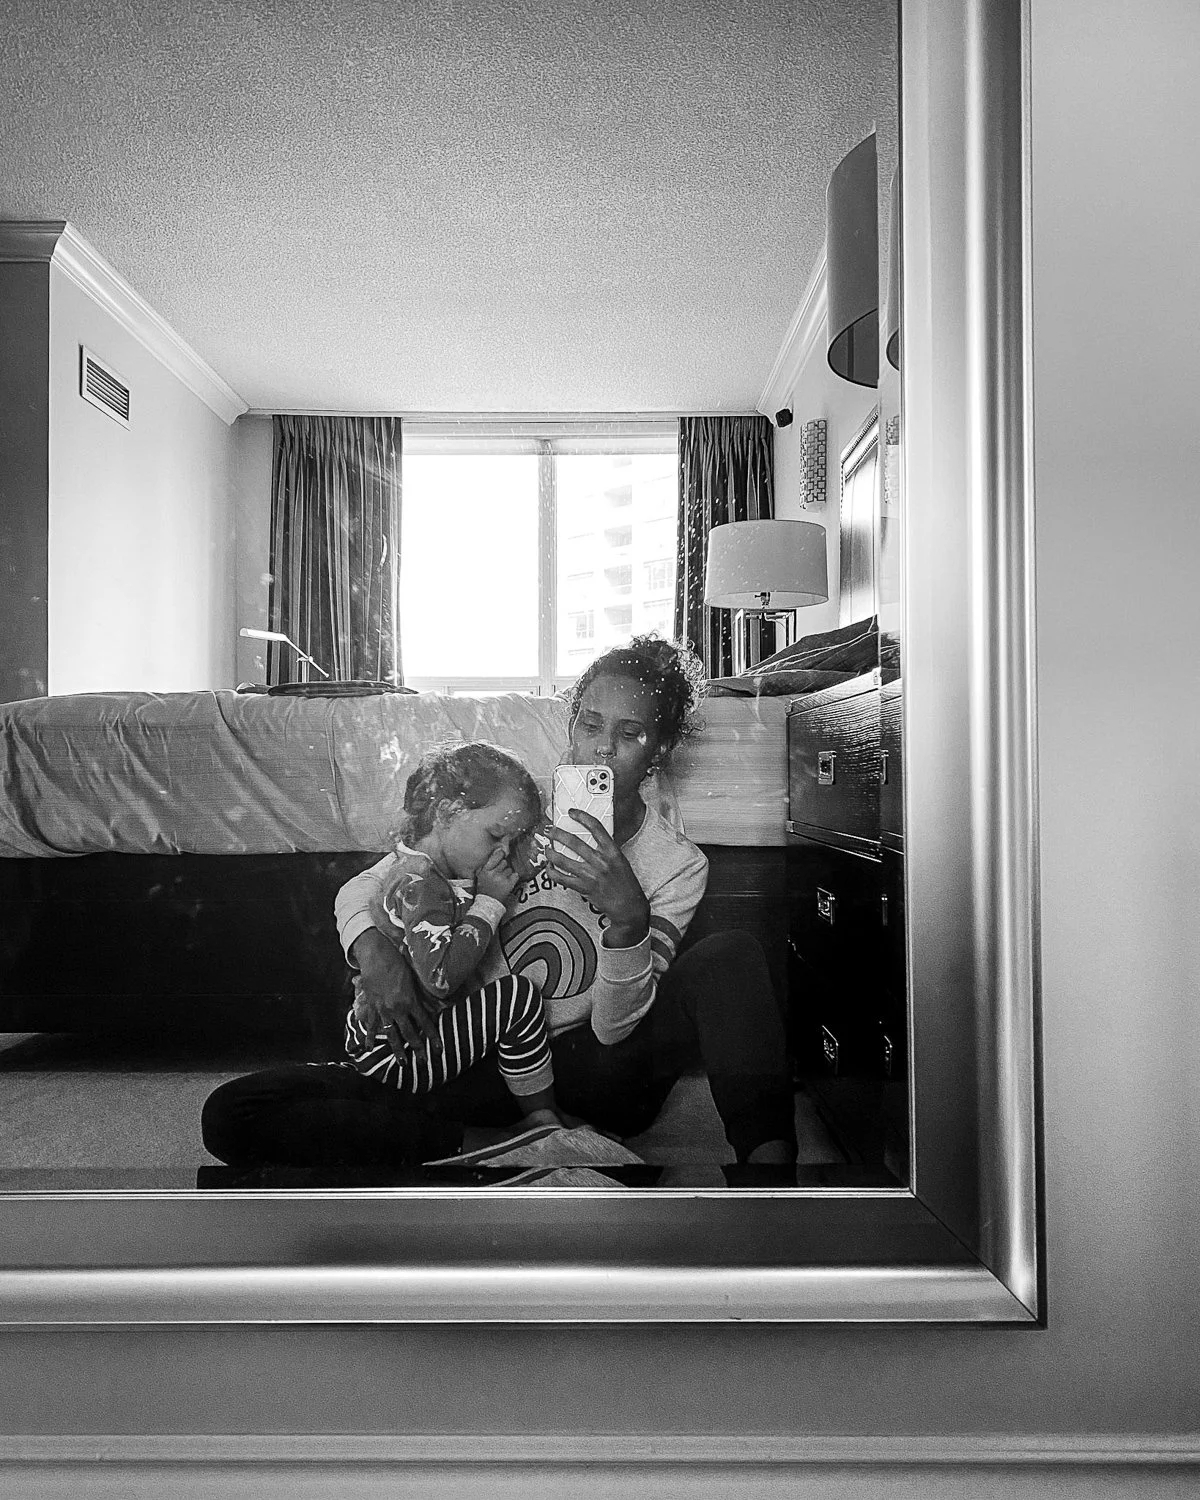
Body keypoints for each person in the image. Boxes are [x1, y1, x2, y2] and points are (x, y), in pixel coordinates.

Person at [201, 635, 797, 1174]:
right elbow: (371, 884)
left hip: (599, 1071)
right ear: (572, 726)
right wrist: (375, 950)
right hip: (478, 1057)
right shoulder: (517, 809)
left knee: (732, 956)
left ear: (660, 748)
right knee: (233, 1113)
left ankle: (773, 1180)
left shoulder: (678, 864)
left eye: (630, 734)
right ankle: (503, 1146)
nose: (601, 749)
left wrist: (628, 918)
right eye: (589, 725)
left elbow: (617, 1029)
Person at [345, 741, 565, 1130]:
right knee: (517, 997)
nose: (503, 851)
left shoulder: (435, 867)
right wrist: (488, 904)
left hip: (400, 1041)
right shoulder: (419, 881)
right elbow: (440, 980)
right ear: (447, 812)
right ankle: (540, 1117)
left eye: (511, 841)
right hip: (402, 1050)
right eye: (495, 835)